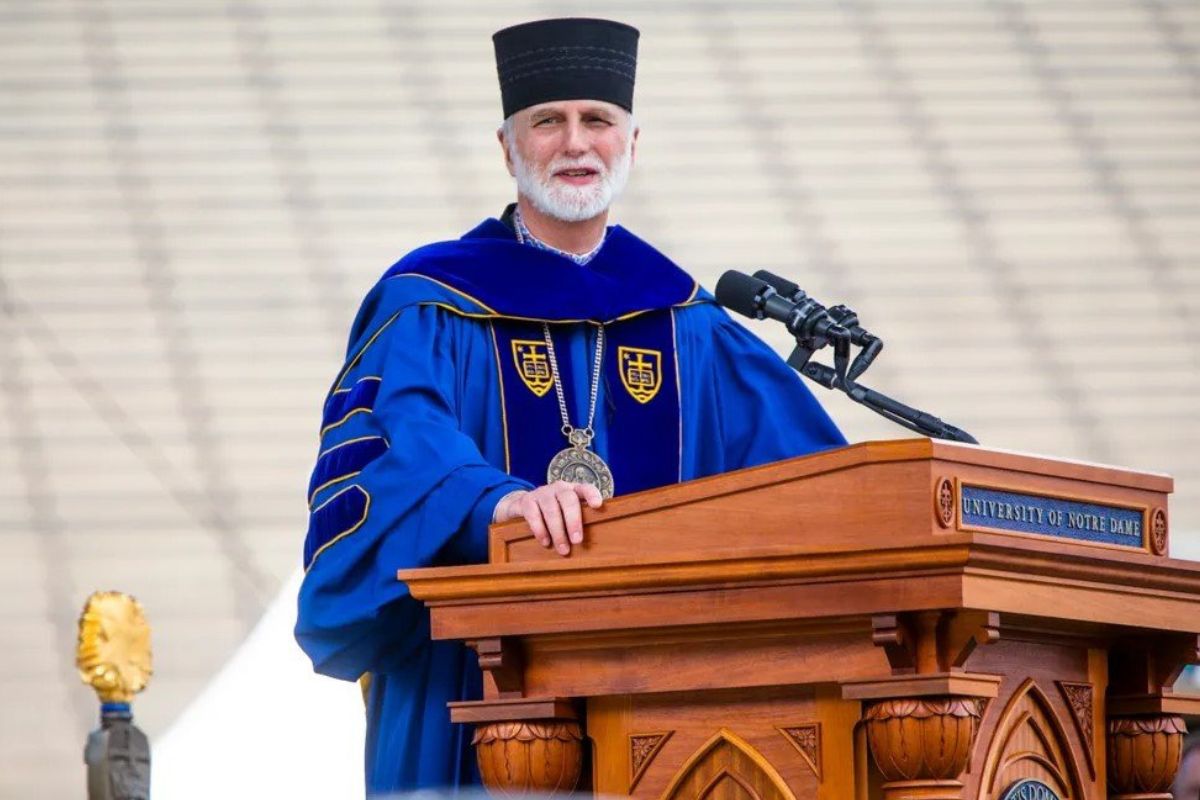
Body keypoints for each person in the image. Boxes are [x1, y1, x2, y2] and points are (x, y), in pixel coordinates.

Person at [294, 17, 845, 795]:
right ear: (508, 145)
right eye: (547, 122)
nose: (575, 143)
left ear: (632, 141)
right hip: (477, 690)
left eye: (598, 121)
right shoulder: (431, 305)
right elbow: (397, 445)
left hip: (675, 703)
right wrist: (495, 502)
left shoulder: (690, 324)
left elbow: (815, 489)